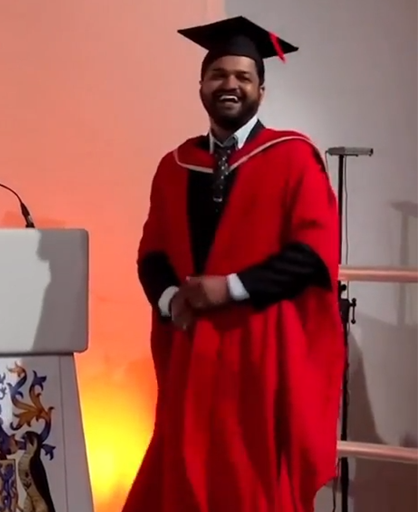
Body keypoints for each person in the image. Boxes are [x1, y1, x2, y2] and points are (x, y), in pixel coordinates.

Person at [124, 16, 344, 512]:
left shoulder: (293, 158)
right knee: (182, 467)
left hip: (259, 352)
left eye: (243, 76)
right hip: (192, 353)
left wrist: (231, 288)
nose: (230, 85)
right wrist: (169, 299)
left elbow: (313, 256)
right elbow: (151, 253)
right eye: (219, 74)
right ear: (201, 86)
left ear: (261, 91)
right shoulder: (175, 164)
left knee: (249, 477)